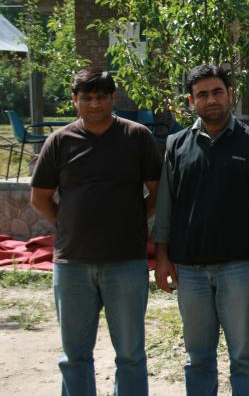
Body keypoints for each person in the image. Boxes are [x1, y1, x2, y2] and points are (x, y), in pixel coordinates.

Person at [152, 64, 249, 396]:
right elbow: (166, 208)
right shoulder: (176, 146)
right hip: (190, 272)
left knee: (244, 356)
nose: (211, 100)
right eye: (202, 94)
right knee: (197, 358)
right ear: (191, 100)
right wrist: (162, 258)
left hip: (239, 269)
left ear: (230, 95)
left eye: (217, 92)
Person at [30, 68, 162, 396]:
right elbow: (40, 197)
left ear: (112, 99)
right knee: (75, 356)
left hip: (126, 262)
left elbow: (157, 191)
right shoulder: (60, 141)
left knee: (131, 355)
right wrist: (68, 223)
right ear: (75, 100)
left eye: (101, 97)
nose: (94, 104)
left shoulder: (137, 137)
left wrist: (135, 219)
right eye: (86, 97)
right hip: (73, 264)